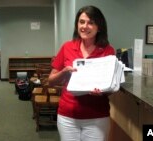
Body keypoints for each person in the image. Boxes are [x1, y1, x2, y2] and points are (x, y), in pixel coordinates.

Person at [48, 6, 115, 141]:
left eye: (91, 22)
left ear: (99, 27)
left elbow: (111, 87)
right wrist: (64, 72)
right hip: (68, 116)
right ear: (77, 25)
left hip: (97, 116)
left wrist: (103, 91)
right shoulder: (67, 47)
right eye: (81, 22)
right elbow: (51, 80)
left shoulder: (108, 51)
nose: (85, 26)